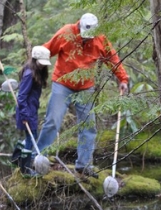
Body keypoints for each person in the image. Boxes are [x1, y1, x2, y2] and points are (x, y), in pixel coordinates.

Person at [35, 12, 130, 178]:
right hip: (62, 83)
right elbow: (47, 50)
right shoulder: (66, 33)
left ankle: (84, 166)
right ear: (79, 27)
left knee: (88, 126)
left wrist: (123, 78)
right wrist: (33, 68)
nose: (87, 39)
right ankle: (41, 159)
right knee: (52, 120)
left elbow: (112, 58)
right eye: (84, 36)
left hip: (86, 87)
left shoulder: (100, 38)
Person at [14, 46, 52, 178]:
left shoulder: (37, 72)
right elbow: (21, 96)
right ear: (35, 60)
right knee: (31, 136)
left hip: (32, 109)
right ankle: (25, 169)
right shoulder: (29, 74)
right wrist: (25, 115)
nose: (42, 66)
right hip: (26, 111)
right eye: (41, 63)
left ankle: (17, 159)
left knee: (31, 136)